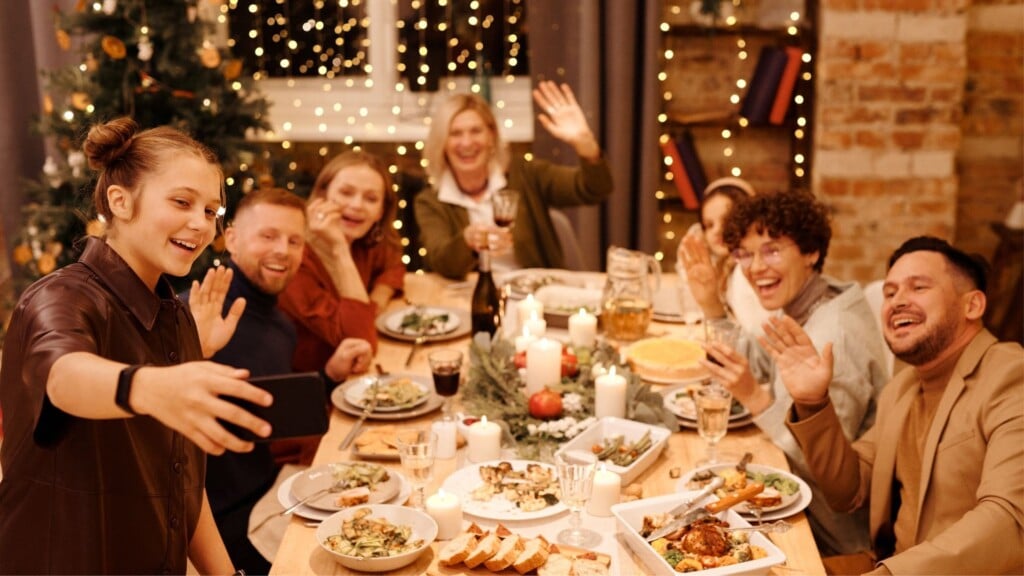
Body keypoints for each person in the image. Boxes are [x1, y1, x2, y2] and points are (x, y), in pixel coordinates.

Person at [0, 117, 272, 574]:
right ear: (120, 201)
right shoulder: (59, 297)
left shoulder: (174, 314)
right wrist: (145, 387)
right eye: (182, 202)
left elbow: (181, 479)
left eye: (211, 211)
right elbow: (62, 377)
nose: (200, 224)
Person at [768, 236, 1023, 575]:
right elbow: (848, 491)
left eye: (918, 287)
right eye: (890, 293)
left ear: (972, 305)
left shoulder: (1011, 375)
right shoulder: (902, 388)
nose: (897, 301)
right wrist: (813, 403)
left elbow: (1010, 520)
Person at [681, 191, 889, 556]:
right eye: (745, 254)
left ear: (811, 252)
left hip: (830, 535)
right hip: (792, 496)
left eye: (772, 250)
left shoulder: (833, 334)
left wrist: (756, 398)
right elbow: (759, 362)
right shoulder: (807, 301)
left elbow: (826, 469)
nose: (755, 267)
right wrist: (711, 305)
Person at [181, 188, 374, 573]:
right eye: (267, 236)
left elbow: (269, 400)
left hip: (272, 486)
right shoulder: (198, 314)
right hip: (225, 523)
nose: (283, 251)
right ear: (231, 239)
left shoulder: (279, 322)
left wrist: (329, 375)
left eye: (294, 240)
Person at [414, 81, 613, 279]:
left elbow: (595, 189)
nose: (466, 143)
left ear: (491, 135)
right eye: (455, 133)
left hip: (535, 296)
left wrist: (586, 145)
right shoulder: (430, 201)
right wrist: (467, 241)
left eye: (476, 131)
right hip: (472, 297)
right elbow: (441, 263)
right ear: (442, 142)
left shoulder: (526, 174)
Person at [278, 150, 401, 373]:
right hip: (314, 387)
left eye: (371, 199)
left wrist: (378, 298)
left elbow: (393, 264)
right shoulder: (293, 258)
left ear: (380, 212)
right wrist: (340, 250)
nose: (357, 205)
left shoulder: (364, 240)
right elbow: (361, 342)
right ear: (322, 196)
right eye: (346, 193)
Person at [675, 177, 769, 331]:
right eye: (709, 225)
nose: (717, 231)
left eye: (726, 220)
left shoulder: (747, 272)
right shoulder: (717, 267)